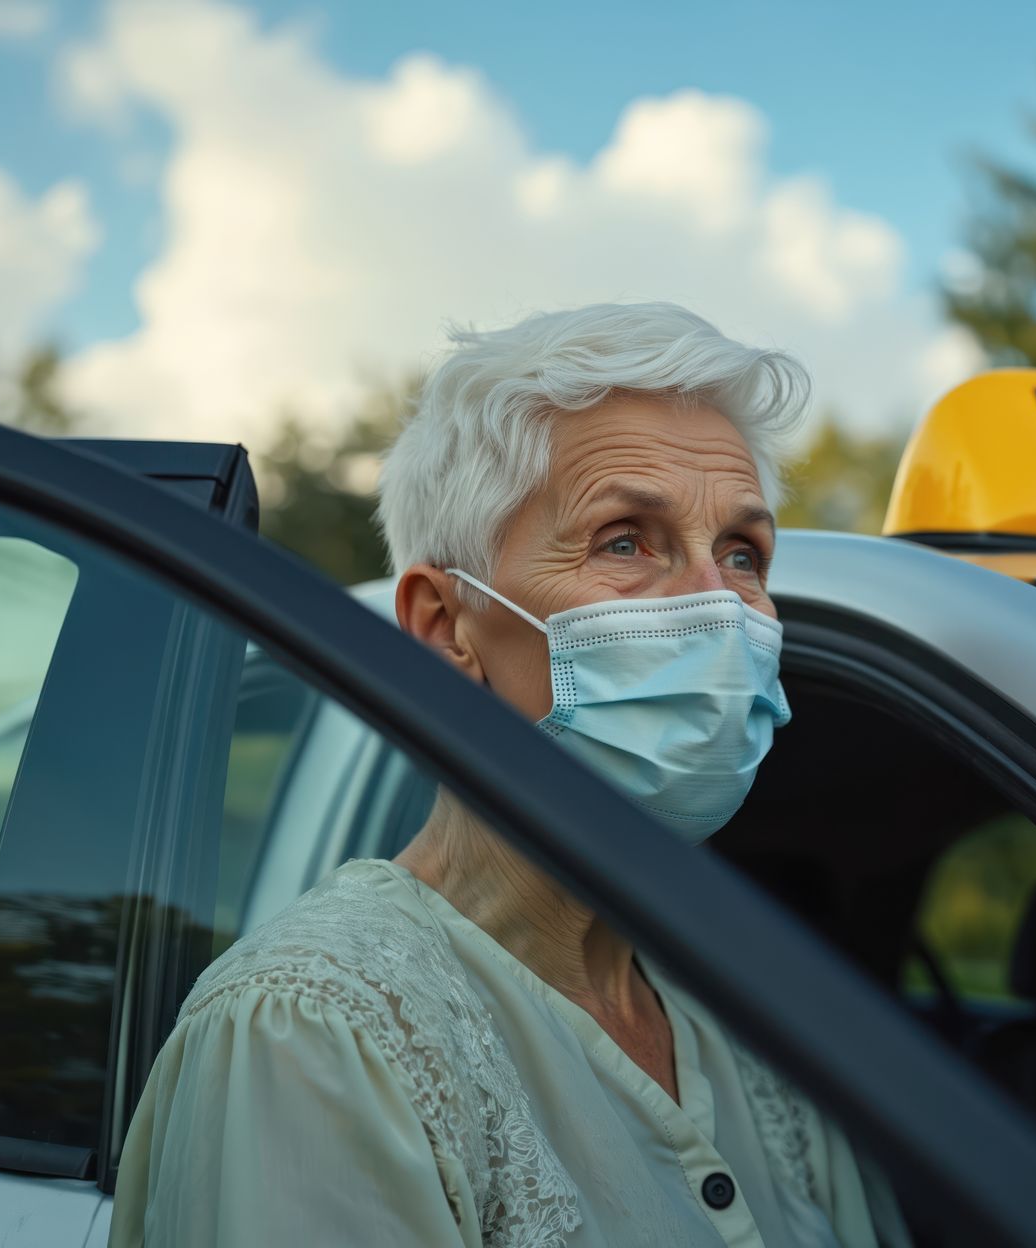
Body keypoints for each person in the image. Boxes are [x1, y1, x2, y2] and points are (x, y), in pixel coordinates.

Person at [109, 303, 906, 1246]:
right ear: (445, 629)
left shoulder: (760, 1033)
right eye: (626, 540)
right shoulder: (316, 1036)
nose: (719, 608)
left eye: (743, 553)